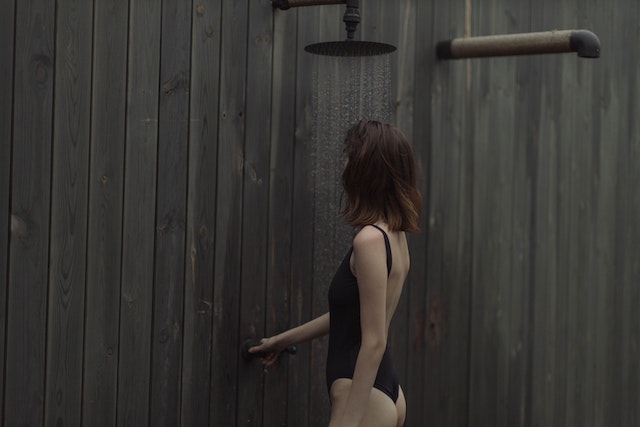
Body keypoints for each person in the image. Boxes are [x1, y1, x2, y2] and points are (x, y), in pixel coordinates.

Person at [249, 120, 422, 427]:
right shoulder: (395, 235)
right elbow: (352, 315)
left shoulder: (369, 240)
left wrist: (350, 422)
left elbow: (373, 341)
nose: (344, 165)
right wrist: (281, 339)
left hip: (363, 397)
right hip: (387, 393)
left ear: (366, 170)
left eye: (349, 157)